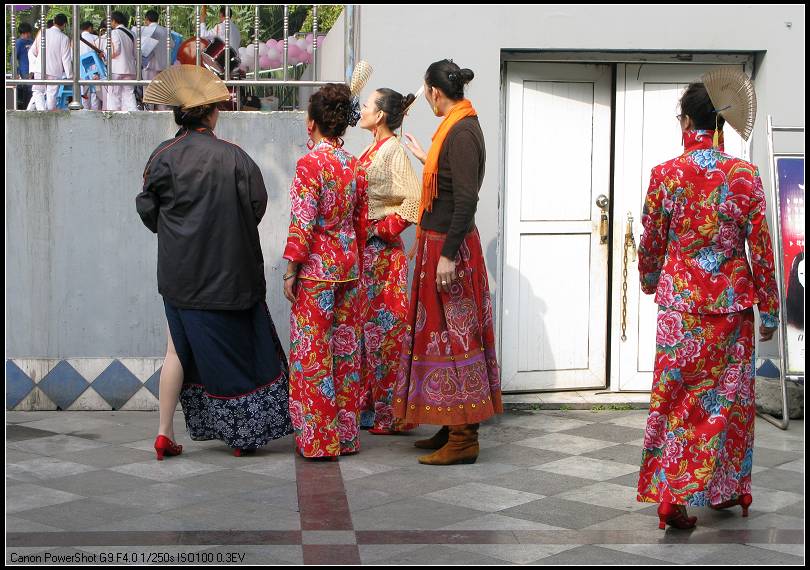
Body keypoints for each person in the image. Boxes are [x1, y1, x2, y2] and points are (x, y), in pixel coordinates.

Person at [636, 75, 779, 529]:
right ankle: (727, 489)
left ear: (686, 122)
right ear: (721, 123)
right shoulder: (745, 176)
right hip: (732, 309)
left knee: (676, 399)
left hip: (680, 309)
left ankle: (670, 497)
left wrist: (648, 279)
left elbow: (651, 239)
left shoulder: (666, 174)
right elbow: (762, 246)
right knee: (729, 404)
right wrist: (770, 309)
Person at [136, 65, 293, 459]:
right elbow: (256, 204)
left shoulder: (163, 157)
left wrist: (177, 233)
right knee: (238, 352)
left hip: (180, 277)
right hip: (231, 276)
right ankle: (241, 437)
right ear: (211, 113)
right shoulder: (235, 157)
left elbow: (148, 210)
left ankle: (163, 432)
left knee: (175, 351)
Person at [394, 59, 503, 466]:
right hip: (441, 244)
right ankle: (449, 420)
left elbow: (467, 200)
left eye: (426, 92)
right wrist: (428, 163)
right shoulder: (456, 127)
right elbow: (454, 185)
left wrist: (448, 254)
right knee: (440, 333)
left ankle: (464, 436)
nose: (425, 99)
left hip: (449, 250)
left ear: (436, 92)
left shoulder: (460, 132)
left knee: (457, 338)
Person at [283, 83, 368, 460]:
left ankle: (319, 442)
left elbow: (302, 222)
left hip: (317, 271)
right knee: (346, 352)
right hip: (349, 267)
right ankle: (347, 437)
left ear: (312, 122)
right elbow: (360, 220)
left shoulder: (309, 164)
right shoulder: (354, 164)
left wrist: (291, 270)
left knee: (312, 354)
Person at [356, 88, 422, 435]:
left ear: (380, 115)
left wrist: (382, 229)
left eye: (367, 105)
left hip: (383, 257)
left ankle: (394, 414)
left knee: (387, 336)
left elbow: (414, 199)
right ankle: (372, 408)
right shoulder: (372, 148)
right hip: (367, 257)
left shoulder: (393, 150)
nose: (362, 109)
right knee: (368, 336)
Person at [29, 14, 72, 111]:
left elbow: (34, 51)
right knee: (52, 94)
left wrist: (33, 67)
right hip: (55, 70)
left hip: (40, 68)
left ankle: (41, 111)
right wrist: (70, 75)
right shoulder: (64, 38)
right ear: (64, 24)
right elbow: (66, 58)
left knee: (37, 91)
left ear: (54, 22)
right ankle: (50, 114)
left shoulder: (42, 32)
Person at [98, 11, 137, 111]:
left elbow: (116, 50)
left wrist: (105, 54)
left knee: (114, 94)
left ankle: (113, 116)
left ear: (114, 21)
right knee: (129, 94)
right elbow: (136, 53)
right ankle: (132, 116)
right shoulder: (132, 34)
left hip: (117, 69)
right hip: (130, 69)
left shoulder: (114, 32)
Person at [79, 22, 101, 110]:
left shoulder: (76, 40)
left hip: (81, 68)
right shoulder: (95, 38)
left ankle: (85, 111)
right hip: (95, 67)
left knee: (84, 91)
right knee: (95, 92)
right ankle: (95, 112)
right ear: (90, 28)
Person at [15, 22, 34, 110]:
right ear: (22, 33)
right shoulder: (18, 43)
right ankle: (26, 110)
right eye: (26, 33)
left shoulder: (32, 42)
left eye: (29, 32)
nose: (28, 34)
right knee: (28, 91)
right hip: (24, 70)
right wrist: (16, 72)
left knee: (33, 91)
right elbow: (13, 58)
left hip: (33, 70)